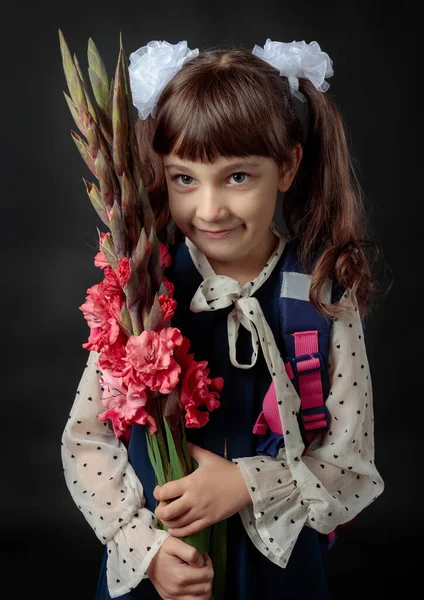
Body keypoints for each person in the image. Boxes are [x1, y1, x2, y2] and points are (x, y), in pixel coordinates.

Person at [61, 38, 385, 600]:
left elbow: (350, 467)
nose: (209, 209)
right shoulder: (142, 292)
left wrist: (245, 483)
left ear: (286, 167)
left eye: (237, 177)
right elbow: (87, 441)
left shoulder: (321, 296)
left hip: (276, 573)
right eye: (185, 178)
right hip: (163, 571)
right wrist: (146, 548)